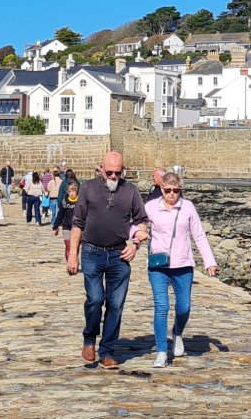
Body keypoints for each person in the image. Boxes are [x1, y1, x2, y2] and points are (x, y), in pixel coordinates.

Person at [67, 152, 149, 370]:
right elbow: (77, 223)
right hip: (92, 252)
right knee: (95, 299)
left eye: (118, 172)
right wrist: (72, 254)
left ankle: (107, 351)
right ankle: (89, 338)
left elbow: (141, 222)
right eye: (109, 172)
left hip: (119, 254)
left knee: (116, 304)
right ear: (101, 168)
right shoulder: (88, 188)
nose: (113, 176)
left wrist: (135, 245)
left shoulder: (130, 191)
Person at [143, 170, 218, 368]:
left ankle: (177, 333)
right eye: (168, 190)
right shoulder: (150, 207)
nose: (172, 194)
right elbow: (137, 225)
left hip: (183, 265)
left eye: (176, 190)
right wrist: (136, 236)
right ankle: (161, 352)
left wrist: (209, 261)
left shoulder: (188, 208)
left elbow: (199, 235)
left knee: (184, 307)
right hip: (158, 266)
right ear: (161, 189)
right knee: (162, 307)